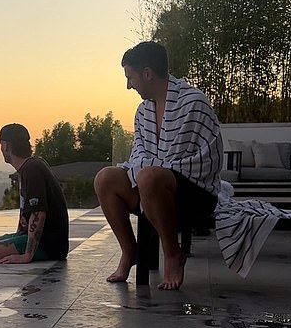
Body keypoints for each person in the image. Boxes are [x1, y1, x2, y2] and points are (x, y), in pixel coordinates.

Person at [94, 41, 222, 290]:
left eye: (130, 77)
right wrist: (149, 171)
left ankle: (173, 253)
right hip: (151, 188)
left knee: (148, 177)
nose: (128, 85)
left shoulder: (193, 102)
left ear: (147, 73)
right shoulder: (143, 111)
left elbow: (208, 160)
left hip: (196, 192)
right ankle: (130, 251)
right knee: (105, 179)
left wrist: (153, 171)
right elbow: (138, 155)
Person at [0, 123, 70, 270]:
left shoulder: (32, 169)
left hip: (48, 245)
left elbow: (38, 213)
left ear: (6, 146)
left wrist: (27, 255)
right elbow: (26, 214)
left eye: (1, 144)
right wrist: (17, 237)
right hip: (35, 239)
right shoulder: (29, 167)